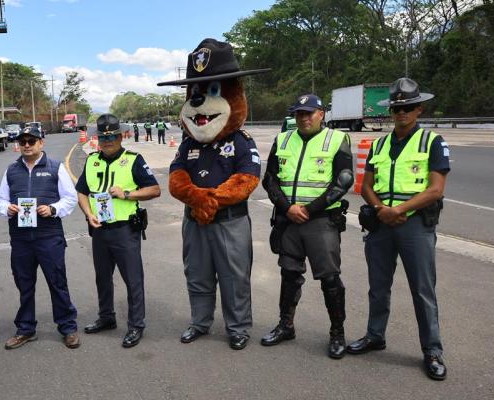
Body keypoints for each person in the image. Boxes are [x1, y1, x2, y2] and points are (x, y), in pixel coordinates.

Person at [159, 38, 268, 350]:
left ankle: (238, 328)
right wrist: (197, 199)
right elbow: (176, 176)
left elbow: (247, 179)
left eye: (213, 90)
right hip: (195, 222)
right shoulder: (188, 143)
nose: (200, 100)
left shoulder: (241, 140)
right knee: (197, 275)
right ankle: (200, 322)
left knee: (234, 278)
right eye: (196, 92)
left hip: (229, 223)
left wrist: (212, 200)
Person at [347, 77, 450, 381]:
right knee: (378, 286)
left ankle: (432, 350)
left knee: (423, 289)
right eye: (396, 108)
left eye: (408, 107)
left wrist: (399, 210)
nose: (401, 112)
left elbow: (436, 189)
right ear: (390, 111)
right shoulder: (378, 145)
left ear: (419, 109)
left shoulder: (432, 142)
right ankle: (375, 335)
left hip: (414, 225)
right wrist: (382, 210)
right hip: (381, 222)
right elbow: (365, 186)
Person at [260, 94, 353, 359]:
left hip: (321, 221)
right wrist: (287, 207)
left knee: (329, 278)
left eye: (309, 113)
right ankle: (286, 326)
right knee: (289, 274)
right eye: (299, 113)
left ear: (321, 114)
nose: (303, 118)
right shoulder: (282, 139)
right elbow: (270, 179)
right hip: (289, 220)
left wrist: (309, 210)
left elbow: (344, 180)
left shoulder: (337, 139)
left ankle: (337, 333)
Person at [76, 114, 161, 348]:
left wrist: (127, 193)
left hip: (125, 230)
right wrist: (88, 213)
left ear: (120, 136)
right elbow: (82, 191)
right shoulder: (92, 160)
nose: (107, 141)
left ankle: (136, 325)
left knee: (133, 279)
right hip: (99, 230)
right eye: (103, 137)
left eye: (112, 136)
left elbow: (154, 190)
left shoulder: (133, 160)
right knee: (102, 277)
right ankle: (106, 317)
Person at [0, 126, 81, 350]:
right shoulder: (11, 170)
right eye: (22, 141)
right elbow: (1, 200)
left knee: (57, 282)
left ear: (41, 143)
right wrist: (7, 209)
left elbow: (70, 198)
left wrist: (53, 209)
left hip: (49, 236)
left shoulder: (55, 167)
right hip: (21, 238)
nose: (26, 145)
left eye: (31, 141)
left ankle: (68, 327)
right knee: (24, 285)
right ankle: (25, 329)